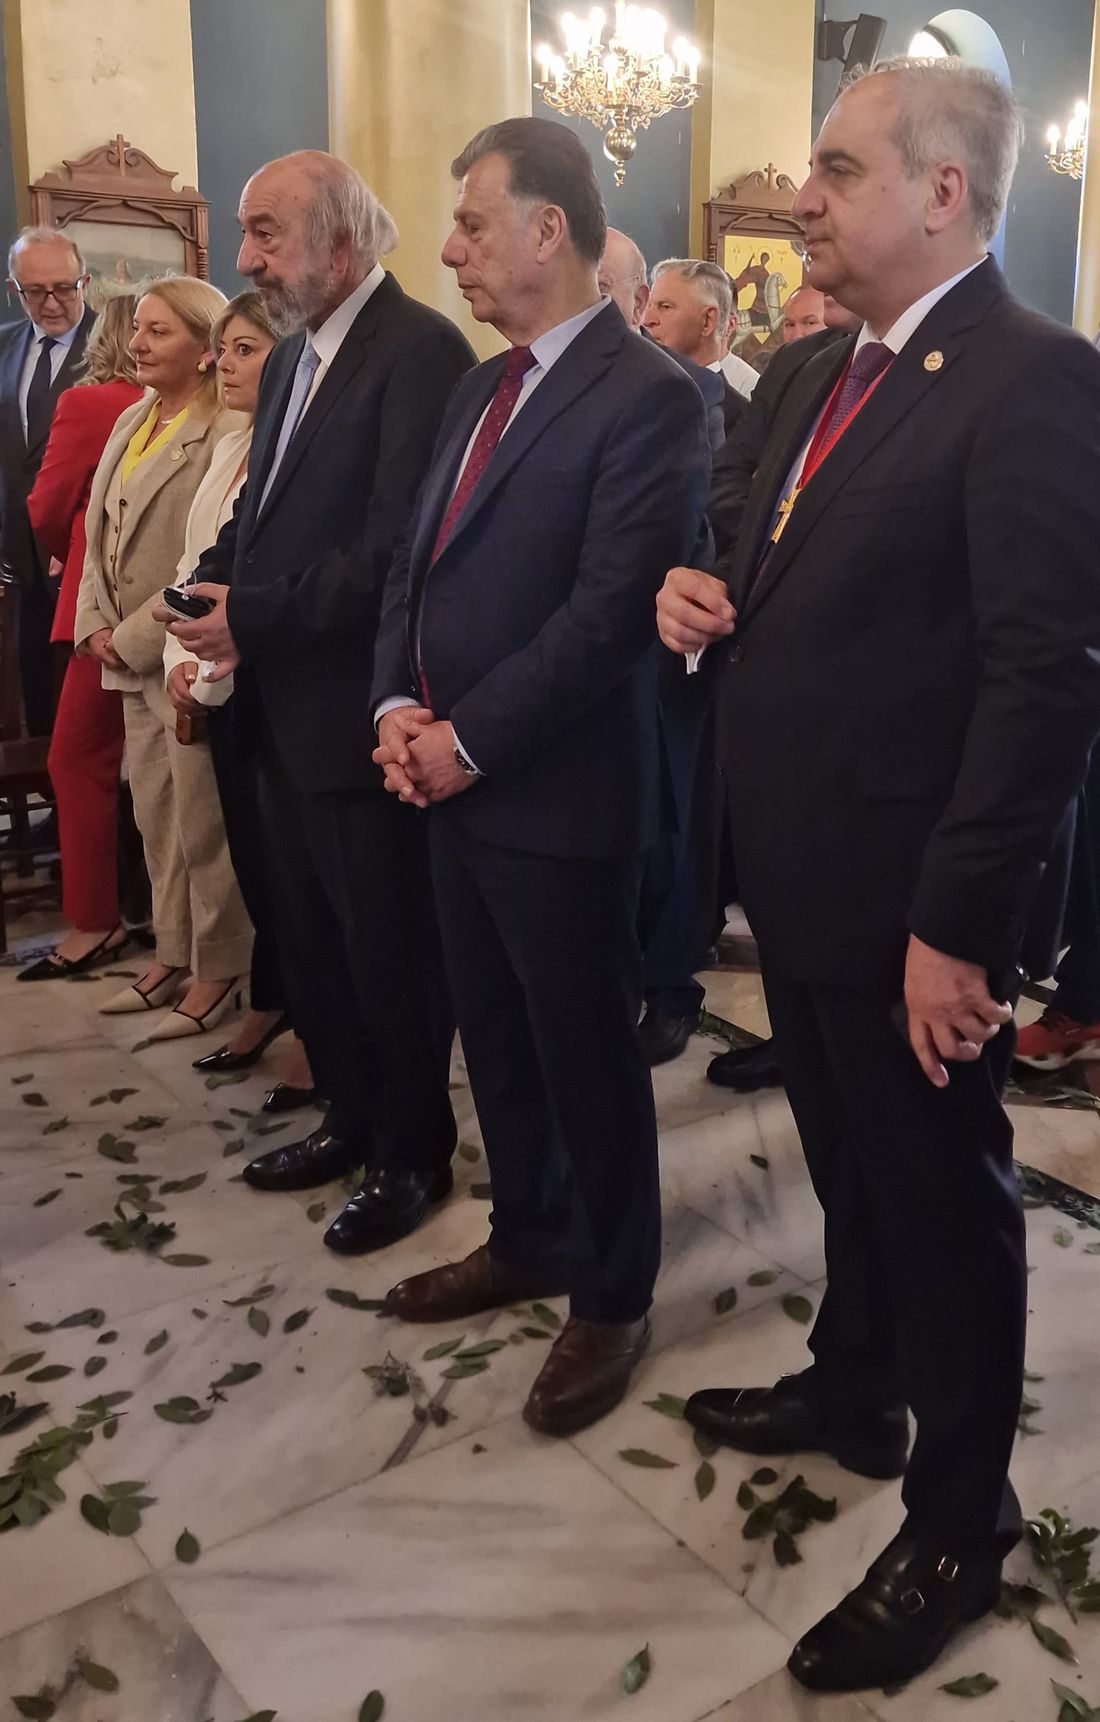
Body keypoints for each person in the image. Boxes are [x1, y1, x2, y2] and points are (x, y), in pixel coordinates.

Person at [656, 56, 1100, 1694]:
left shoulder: (1034, 378)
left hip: (915, 908)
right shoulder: (812, 373)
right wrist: (694, 593)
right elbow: (765, 562)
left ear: (942, 192)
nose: (802, 198)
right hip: (804, 875)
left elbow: (1044, 678)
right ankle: (856, 1382)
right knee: (849, 1164)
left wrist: (957, 929)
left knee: (943, 1204)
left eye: (837, 170)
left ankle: (962, 1520)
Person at [372, 118, 710, 1435]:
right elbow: (414, 569)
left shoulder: (648, 395)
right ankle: (529, 1233)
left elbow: (606, 614)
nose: (449, 250)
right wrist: (396, 704)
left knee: (584, 1055)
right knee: (495, 1037)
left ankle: (613, 1290)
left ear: (545, 229)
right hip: (450, 781)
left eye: (470, 224)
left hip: (558, 798)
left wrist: (464, 742)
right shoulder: (479, 389)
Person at [159, 151, 475, 1250]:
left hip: (354, 713)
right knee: (312, 942)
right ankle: (350, 1117)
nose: (245, 258)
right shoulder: (294, 355)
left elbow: (395, 551)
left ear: (339, 245)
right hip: (278, 713)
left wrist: (253, 616)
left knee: (386, 950)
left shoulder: (421, 352)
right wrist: (209, 582)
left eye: (266, 233)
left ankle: (413, 1151)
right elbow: (263, 515)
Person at [74, 277, 253, 1039]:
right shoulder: (134, 416)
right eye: (137, 329)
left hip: (174, 648)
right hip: (120, 646)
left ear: (204, 347)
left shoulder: (224, 427)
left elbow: (202, 553)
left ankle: (220, 968)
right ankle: (171, 954)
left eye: (158, 332)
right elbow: (97, 532)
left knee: (201, 823)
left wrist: (136, 638)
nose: (137, 344)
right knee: (154, 815)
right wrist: (92, 620)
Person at [160, 290, 315, 1109]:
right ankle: (268, 999)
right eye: (221, 349)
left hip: (267, 671)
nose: (223, 364)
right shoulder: (231, 448)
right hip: (213, 671)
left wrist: (218, 651)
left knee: (288, 869)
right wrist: (178, 655)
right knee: (252, 859)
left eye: (245, 349)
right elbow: (201, 558)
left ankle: (309, 1026)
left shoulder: (300, 447)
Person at [597, 228, 723, 1065]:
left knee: (670, 828)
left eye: (602, 287)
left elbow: (708, 529)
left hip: (665, 656)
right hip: (590, 671)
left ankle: (670, 984)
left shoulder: (691, 396)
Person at [19, 295, 143, 980]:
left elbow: (45, 505)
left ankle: (95, 922)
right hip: (165, 607)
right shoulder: (186, 406)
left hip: (98, 607)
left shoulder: (91, 404)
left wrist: (60, 553)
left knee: (76, 758)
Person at [0, 226, 95, 734]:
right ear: (13, 289)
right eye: (35, 291)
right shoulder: (5, 345)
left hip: (83, 549)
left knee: (88, 697)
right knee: (32, 687)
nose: (52, 302)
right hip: (17, 553)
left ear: (85, 282)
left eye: (63, 288)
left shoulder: (118, 346)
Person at [643, 258, 745, 436]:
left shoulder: (740, 421)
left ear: (707, 321)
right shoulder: (637, 395)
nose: (647, 320)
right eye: (648, 306)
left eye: (665, 307)